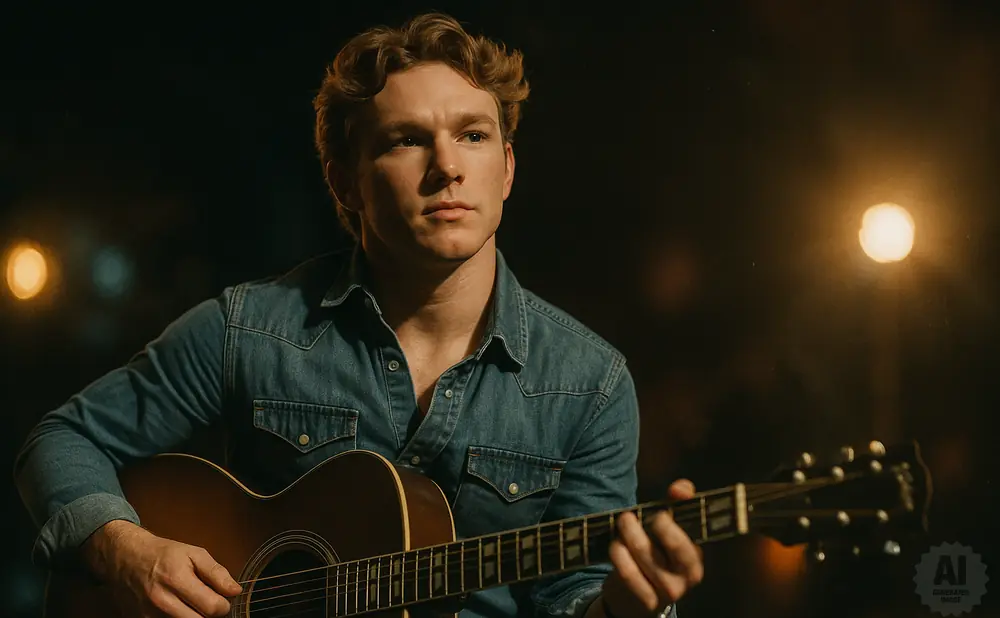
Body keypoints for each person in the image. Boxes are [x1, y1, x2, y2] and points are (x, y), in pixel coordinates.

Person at [13, 12, 703, 618]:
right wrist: (124, 550)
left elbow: (574, 603)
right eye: (407, 140)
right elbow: (61, 442)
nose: (447, 167)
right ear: (344, 181)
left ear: (508, 168)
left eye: (472, 136)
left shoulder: (591, 384)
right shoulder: (252, 328)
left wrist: (629, 607)